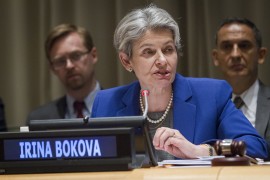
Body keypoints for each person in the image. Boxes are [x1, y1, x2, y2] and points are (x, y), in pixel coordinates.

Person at [91, 4, 268, 161]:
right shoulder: (107, 104)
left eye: (168, 49)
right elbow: (91, 161)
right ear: (126, 61)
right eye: (149, 52)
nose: (162, 60)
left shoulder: (211, 95)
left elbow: (255, 147)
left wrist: (201, 151)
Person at [212, 17, 270, 160]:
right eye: (227, 46)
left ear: (261, 55)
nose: (235, 54)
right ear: (216, 57)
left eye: (244, 46)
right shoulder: (204, 107)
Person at [27, 24, 101, 123]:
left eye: (76, 56)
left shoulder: (123, 107)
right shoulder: (38, 120)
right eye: (60, 61)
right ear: (52, 68)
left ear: (93, 55)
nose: (69, 66)